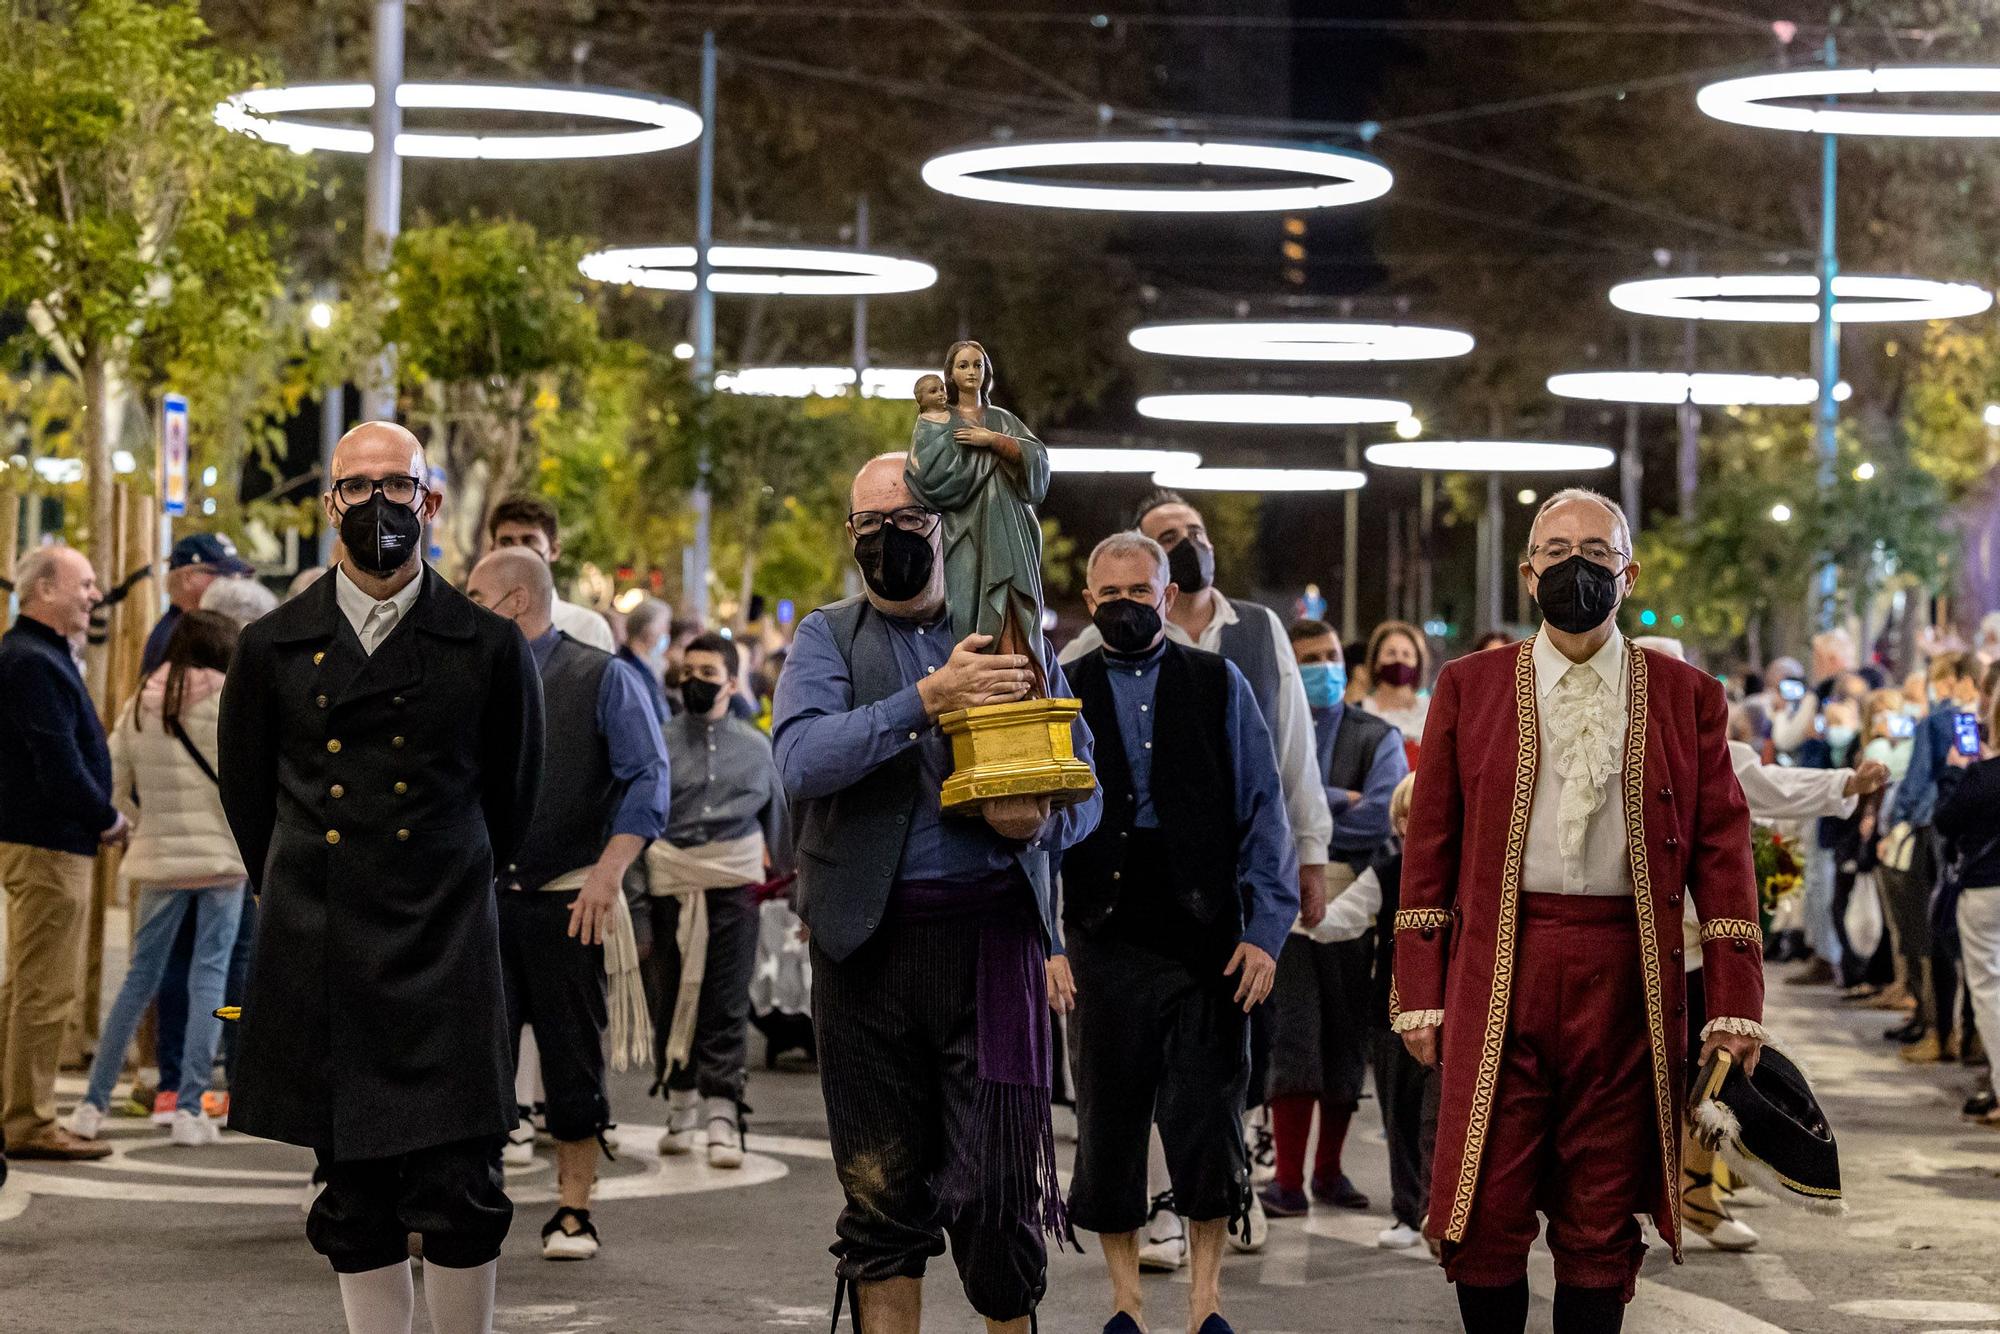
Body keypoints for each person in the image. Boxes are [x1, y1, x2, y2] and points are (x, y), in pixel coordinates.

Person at [1395, 489, 1765, 1334]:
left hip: (1627, 980)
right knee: (1484, 1209)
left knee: (1601, 1217)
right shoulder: (1469, 686)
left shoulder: (1687, 695)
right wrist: (1419, 986)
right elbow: (1432, 848)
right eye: (1556, 550)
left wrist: (1738, 1002)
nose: (1576, 566)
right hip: (1499, 969)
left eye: (1597, 552)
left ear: (1627, 573)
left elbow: (1723, 849)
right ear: (1528, 574)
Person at [218, 421, 544, 1334]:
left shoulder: (486, 644)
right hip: (322, 947)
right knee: (352, 1192)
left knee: (462, 1185)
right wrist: (308, 884)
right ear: (329, 505)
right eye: (355, 489)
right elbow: (252, 808)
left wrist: (449, 874)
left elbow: (513, 800)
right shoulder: (272, 645)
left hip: (445, 939)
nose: (376, 507)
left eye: (396, 488)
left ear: (430, 502)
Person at [771, 453, 1102, 1334]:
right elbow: (800, 760)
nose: (888, 540)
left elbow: (1087, 791)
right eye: (869, 525)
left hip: (992, 950)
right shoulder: (825, 639)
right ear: (851, 536)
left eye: (908, 521)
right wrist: (927, 697)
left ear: (948, 525)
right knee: (880, 1201)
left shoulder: (1011, 637)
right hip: (864, 951)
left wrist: (1038, 824)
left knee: (998, 1203)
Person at [1060, 489, 1331, 1265]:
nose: (1124, 604)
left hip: (1211, 904)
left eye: (1190, 534)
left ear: (1166, 589)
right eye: (1107, 593)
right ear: (1089, 599)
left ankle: (1218, 1200)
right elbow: (1044, 830)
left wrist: (1277, 906)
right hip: (1107, 913)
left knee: (1214, 1083)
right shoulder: (1071, 680)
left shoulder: (1248, 645)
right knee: (1114, 1096)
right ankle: (1152, 1228)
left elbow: (1282, 768)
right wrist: (1046, 936)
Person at [465, 548, 667, 1261]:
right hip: (482, 902)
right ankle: (468, 1205)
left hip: (569, 900)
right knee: (475, 1061)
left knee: (573, 1060)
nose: (467, 606)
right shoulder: (471, 675)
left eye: (477, 594)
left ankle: (574, 1212)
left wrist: (608, 873)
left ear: (517, 600)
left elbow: (648, 780)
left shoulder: (602, 674)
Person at [66, 611, 246, 1148]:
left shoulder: (142, 699)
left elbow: (112, 778)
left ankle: (91, 1105)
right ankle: (191, 1107)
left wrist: (139, 826)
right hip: (223, 861)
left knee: (139, 979)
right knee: (209, 980)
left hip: (157, 860)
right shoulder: (229, 700)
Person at [1261, 619, 1407, 1220]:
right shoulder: (1270, 727)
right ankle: (1288, 1179)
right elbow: (1265, 805)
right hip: (1284, 908)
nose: (1323, 667)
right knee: (1293, 1043)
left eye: (1329, 656)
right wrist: (1333, 800)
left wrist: (1308, 808)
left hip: (1353, 904)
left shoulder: (1378, 734)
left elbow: (1381, 815)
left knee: (1346, 1042)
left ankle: (1329, 1171)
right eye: (1307, 658)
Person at [0, 545, 123, 1162]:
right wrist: (105, 817)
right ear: (43, 589)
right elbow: (58, 761)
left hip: (45, 841)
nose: (95, 594)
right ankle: (29, 1121)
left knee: (27, 988)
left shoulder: (33, 656)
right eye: (86, 583)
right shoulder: (32, 661)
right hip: (50, 845)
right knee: (44, 992)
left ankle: (17, 1114)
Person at [648, 631, 790, 1167]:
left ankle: (723, 1113)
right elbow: (639, 819)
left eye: (707, 674)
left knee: (727, 999)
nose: (695, 682)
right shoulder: (657, 741)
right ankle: (681, 1104)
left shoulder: (759, 748)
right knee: (671, 997)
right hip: (670, 883)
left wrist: (793, 898)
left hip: (736, 886)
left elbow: (780, 829)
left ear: (732, 682)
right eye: (688, 673)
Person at [1300, 774, 1432, 1249]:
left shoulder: (1475, 871)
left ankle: (1438, 1207)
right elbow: (1344, 918)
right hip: (1392, 1012)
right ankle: (1406, 1210)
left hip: (1456, 1012)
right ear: (1401, 825)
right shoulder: (1388, 872)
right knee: (1400, 1114)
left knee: (1439, 1117)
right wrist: (1306, 915)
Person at [1883, 650, 1984, 1061]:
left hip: (1939, 833)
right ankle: (1972, 1038)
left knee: (1939, 935)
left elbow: (1920, 777)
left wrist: (1898, 820)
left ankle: (1941, 1034)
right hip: (1978, 838)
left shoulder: (1945, 721)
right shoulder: (1978, 723)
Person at [1938, 688, 2000, 1127]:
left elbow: (1945, 819)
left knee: (1989, 991)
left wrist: (1956, 773)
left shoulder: (1981, 776)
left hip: (1984, 889)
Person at [486, 494, 617, 653]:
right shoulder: (479, 625)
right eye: (506, 542)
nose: (517, 551)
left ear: (554, 550)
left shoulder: (588, 629)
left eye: (528, 541)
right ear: (492, 550)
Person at [141, 533, 255, 677]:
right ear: (188, 578)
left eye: (238, 575)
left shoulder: (183, 627)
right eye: (224, 573)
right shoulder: (183, 636)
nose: (235, 582)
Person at [1359, 619, 1431, 765]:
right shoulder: (1360, 712)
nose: (1399, 659)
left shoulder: (1434, 710)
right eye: (1391, 653)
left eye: (1406, 654)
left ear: (1418, 663)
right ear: (1376, 662)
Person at [616, 596, 674, 724]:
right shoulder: (626, 668)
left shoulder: (647, 666)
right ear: (648, 629)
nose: (667, 632)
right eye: (664, 625)